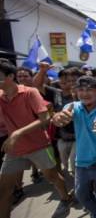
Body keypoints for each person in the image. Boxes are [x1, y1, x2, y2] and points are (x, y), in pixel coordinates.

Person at [0, 59, 72, 218]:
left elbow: (45, 119)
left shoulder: (30, 92)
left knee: (52, 176)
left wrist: (17, 133)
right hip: (14, 150)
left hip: (39, 145)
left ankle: (65, 197)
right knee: (4, 191)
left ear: (10, 77)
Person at [52, 76, 96, 218]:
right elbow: (59, 118)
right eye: (81, 90)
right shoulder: (72, 107)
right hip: (81, 161)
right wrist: (58, 118)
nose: (85, 93)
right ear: (76, 92)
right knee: (81, 195)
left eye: (89, 90)